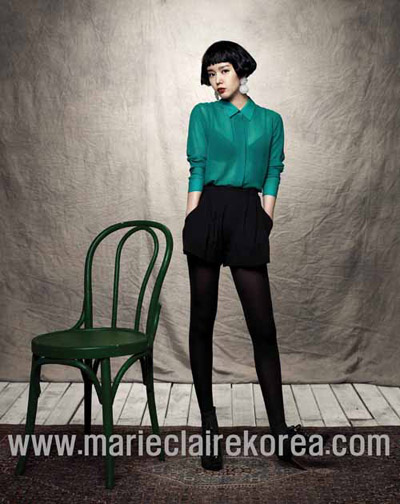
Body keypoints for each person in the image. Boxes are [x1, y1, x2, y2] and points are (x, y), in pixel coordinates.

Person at [182, 41, 328, 471]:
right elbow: (197, 168)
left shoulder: (270, 121)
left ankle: (281, 432)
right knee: (202, 322)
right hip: (208, 213)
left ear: (241, 71)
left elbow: (273, 171)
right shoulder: (202, 114)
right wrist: (191, 218)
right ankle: (209, 427)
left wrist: (266, 217)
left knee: (263, 329)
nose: (217, 80)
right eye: (211, 73)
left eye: (224, 70)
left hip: (249, 215)